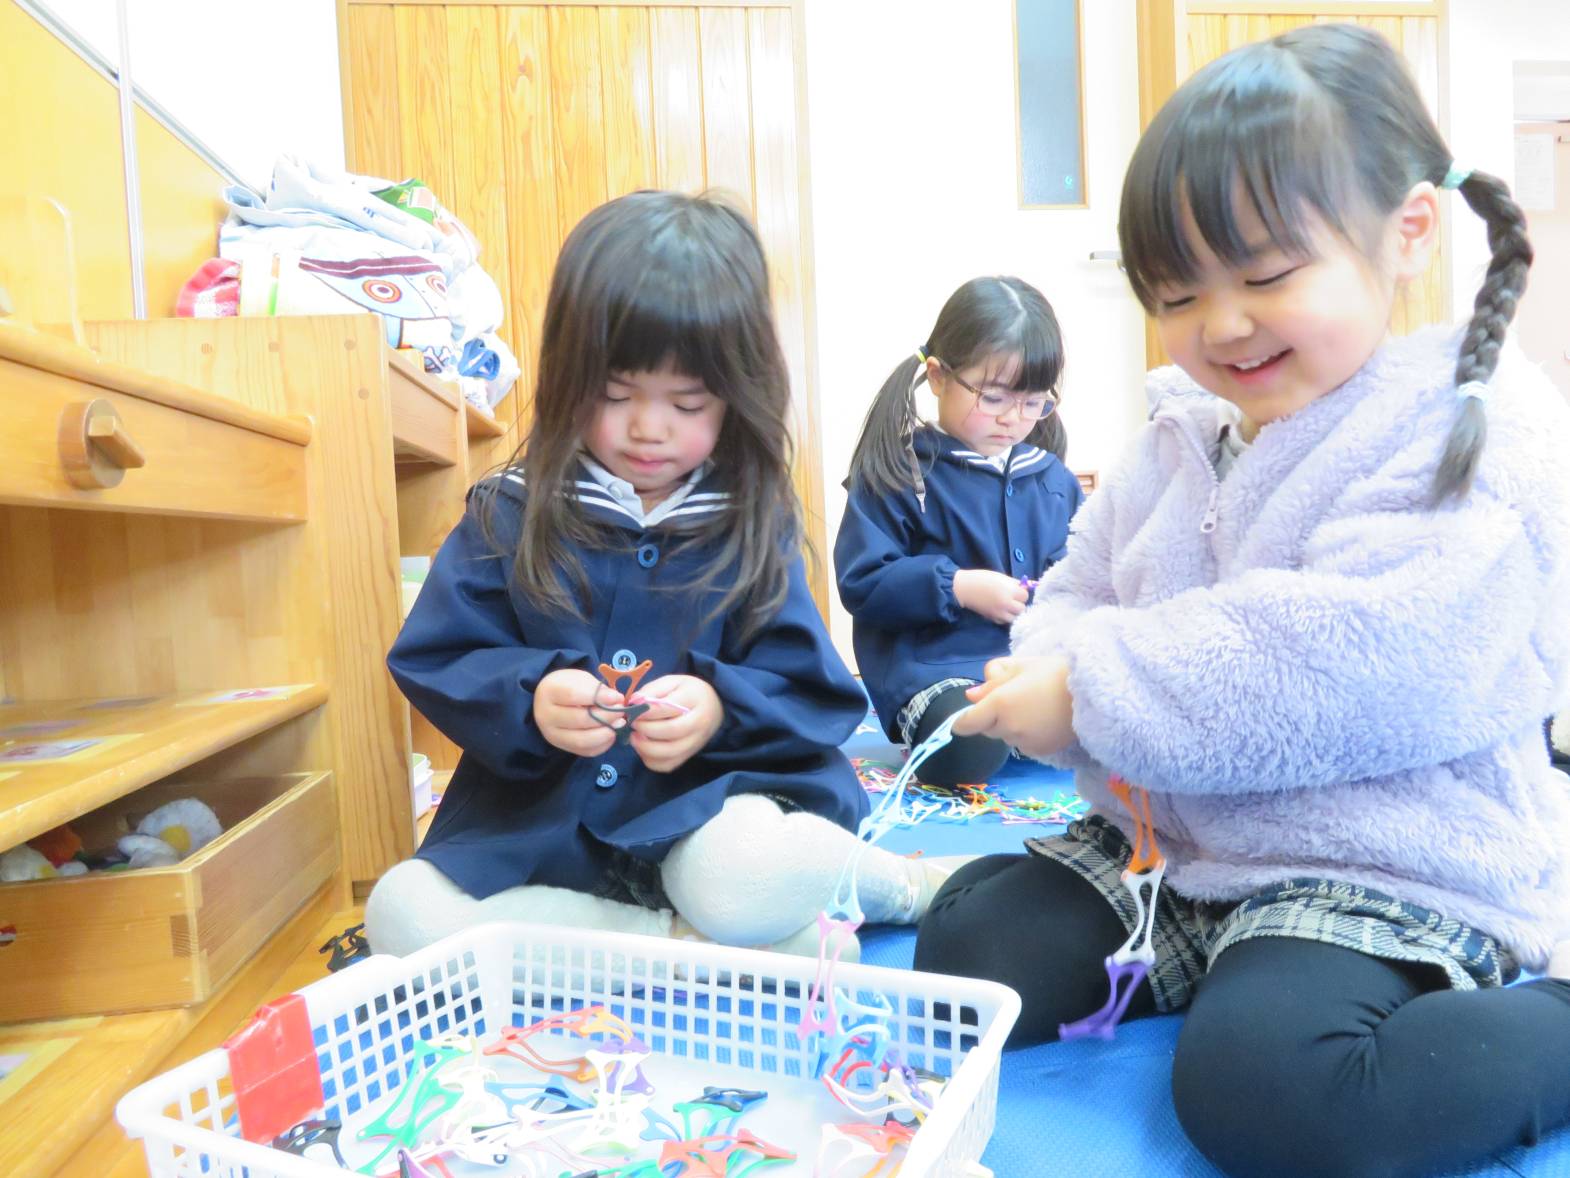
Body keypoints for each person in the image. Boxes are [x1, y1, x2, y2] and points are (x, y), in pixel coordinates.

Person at [916, 25, 1570, 1178]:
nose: (1221, 324)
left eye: (1266, 276)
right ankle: (1221, 961)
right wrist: (1046, 668)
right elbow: (1074, 585)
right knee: (969, 956)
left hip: (1377, 856)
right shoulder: (1177, 434)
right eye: (1178, 293)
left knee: (1268, 1086)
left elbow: (1352, 660)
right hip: (1174, 851)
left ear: (1408, 231)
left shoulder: (1463, 430)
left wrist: (1091, 688)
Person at [366, 191, 946, 962]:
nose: (647, 427)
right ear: (569, 380)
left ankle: (905, 886)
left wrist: (720, 708)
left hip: (712, 811)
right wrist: (530, 697)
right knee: (402, 913)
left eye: (687, 402)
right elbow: (439, 656)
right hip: (545, 827)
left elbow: (809, 689)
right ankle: (692, 949)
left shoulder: (752, 521)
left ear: (735, 399)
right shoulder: (508, 511)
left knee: (741, 873)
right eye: (615, 394)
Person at [835, 276, 1083, 786]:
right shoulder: (900, 472)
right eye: (993, 398)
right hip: (941, 677)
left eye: (1033, 402)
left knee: (1125, 710)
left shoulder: (1053, 480)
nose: (1014, 419)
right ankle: (1005, 736)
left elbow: (1085, 573)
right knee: (968, 742)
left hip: (1033, 670)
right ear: (938, 376)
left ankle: (1036, 729)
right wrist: (958, 587)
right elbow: (863, 582)